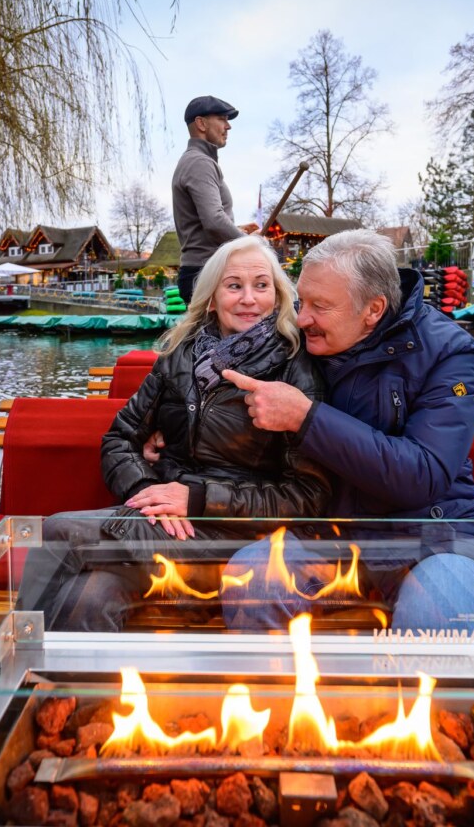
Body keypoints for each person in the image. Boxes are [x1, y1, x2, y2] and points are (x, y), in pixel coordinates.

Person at [19, 235, 330, 630]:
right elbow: (120, 438)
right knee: (88, 597)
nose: (249, 298)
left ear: (278, 294)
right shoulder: (181, 356)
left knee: (58, 531)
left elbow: (308, 495)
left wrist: (198, 498)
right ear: (212, 298)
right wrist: (147, 494)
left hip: (241, 538)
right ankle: (65, 690)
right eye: (234, 286)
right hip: (169, 528)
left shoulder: (294, 368)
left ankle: (16, 662)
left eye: (261, 285)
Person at [214, 229, 474, 632]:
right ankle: (276, 694)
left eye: (320, 306)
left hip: (434, 536)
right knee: (251, 577)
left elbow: (424, 474)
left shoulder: (449, 351)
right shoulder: (296, 339)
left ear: (373, 309)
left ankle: (432, 696)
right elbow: (210, 374)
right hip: (326, 533)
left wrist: (305, 418)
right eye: (301, 301)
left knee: (440, 609)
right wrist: (165, 432)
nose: (302, 317)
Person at [172, 95, 252, 305]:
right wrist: (252, 244)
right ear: (201, 123)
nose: (228, 126)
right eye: (222, 119)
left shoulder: (197, 161)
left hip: (204, 271)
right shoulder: (199, 162)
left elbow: (206, 220)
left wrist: (241, 231)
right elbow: (214, 221)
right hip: (205, 272)